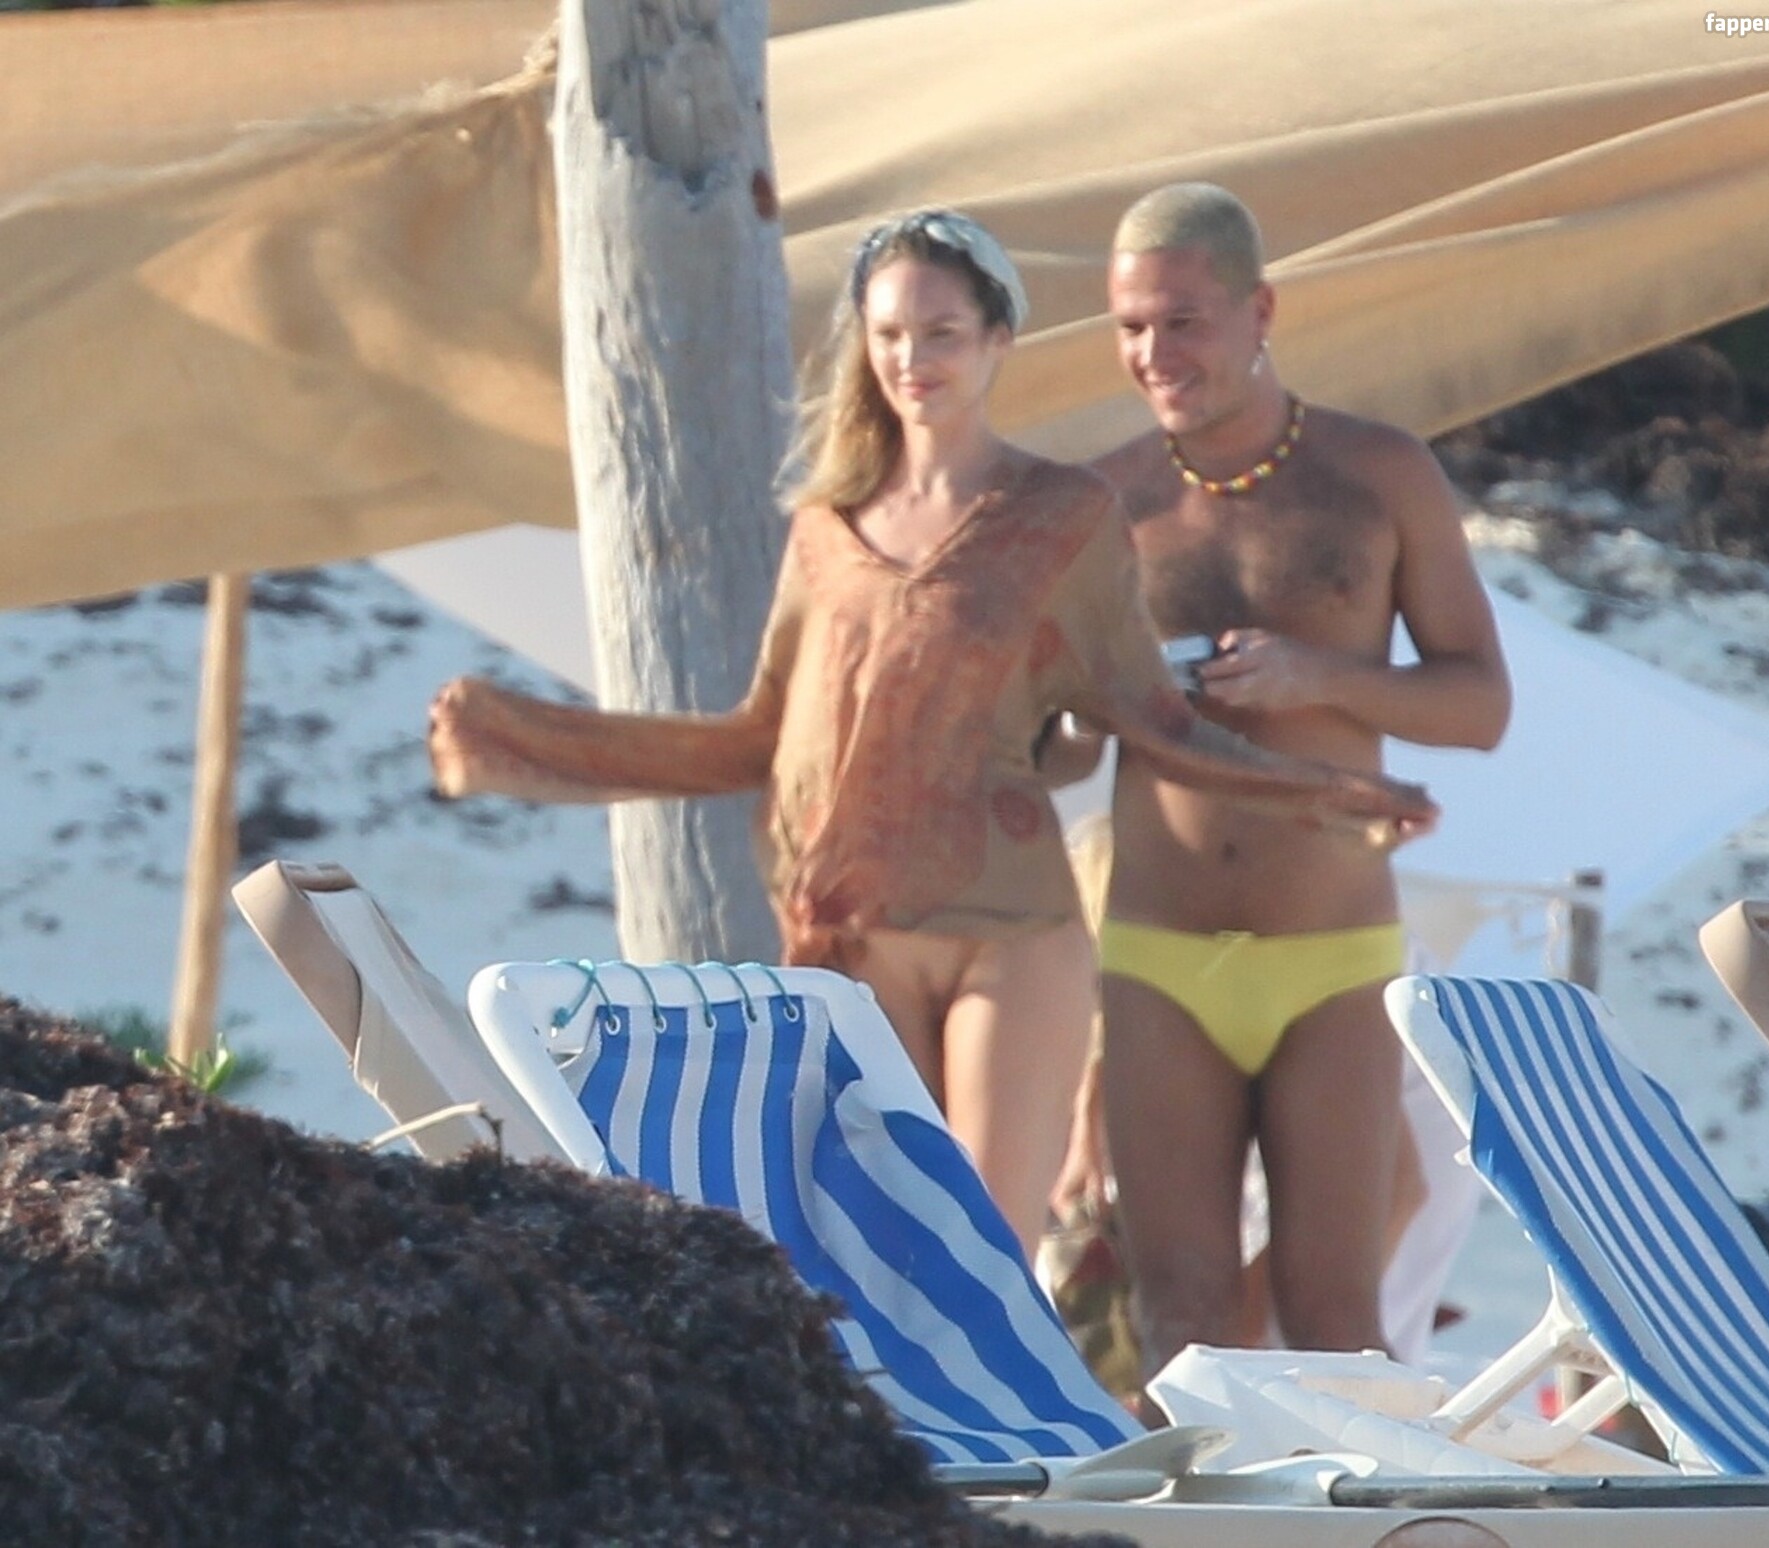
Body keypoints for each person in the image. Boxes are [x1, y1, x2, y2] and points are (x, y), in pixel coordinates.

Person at [427, 208, 1437, 1258]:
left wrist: (1326, 793)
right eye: (890, 336)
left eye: (942, 333)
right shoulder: (825, 532)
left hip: (1014, 936)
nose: (913, 360)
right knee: (879, 1256)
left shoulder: (1063, 517)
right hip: (857, 938)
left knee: (984, 1255)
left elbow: (1157, 722)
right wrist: (522, 742)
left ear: (998, 340)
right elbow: (760, 742)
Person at [1047, 183, 1510, 1370]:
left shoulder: (1379, 474)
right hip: (1158, 952)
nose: (1155, 354)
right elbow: (1061, 751)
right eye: (1131, 327)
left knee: (1333, 1321)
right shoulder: (1103, 502)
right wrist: (1078, 704)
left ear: (1260, 311)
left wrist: (1321, 676)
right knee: (1180, 1326)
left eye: (1183, 322)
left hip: (1333, 954)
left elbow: (1480, 706)